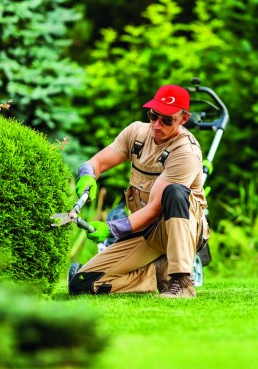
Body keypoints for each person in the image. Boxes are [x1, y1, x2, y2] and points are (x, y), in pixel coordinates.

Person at [67, 85, 209, 298]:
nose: (157, 124)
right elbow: (98, 161)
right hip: (145, 231)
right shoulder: (137, 133)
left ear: (184, 118)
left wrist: (111, 228)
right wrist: (87, 173)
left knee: (175, 192)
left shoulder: (186, 151)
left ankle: (182, 280)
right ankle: (157, 273)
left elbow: (154, 209)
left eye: (167, 120)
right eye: (153, 115)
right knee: (81, 284)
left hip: (179, 228)